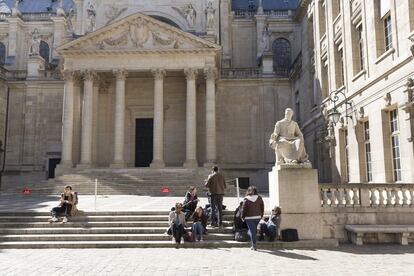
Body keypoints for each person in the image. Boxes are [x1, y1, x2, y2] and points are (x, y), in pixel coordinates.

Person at [241, 186, 264, 250]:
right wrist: (261, 215)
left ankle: (254, 245)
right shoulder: (259, 198)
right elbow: (262, 207)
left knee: (252, 231)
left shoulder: (246, 199)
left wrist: (242, 216)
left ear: (248, 191)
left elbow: (243, 209)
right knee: (253, 231)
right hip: (258, 217)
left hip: (249, 217)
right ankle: (253, 242)